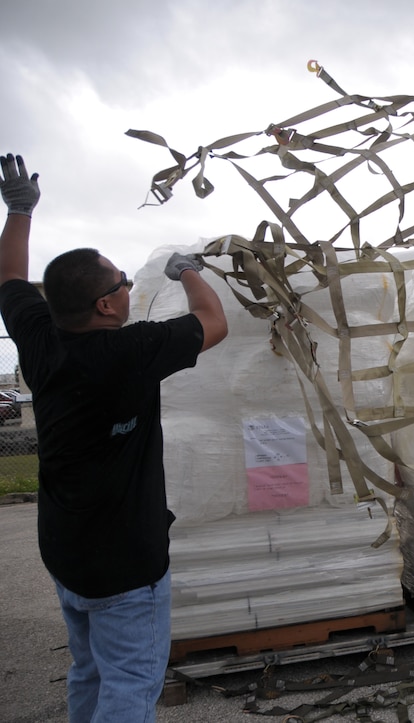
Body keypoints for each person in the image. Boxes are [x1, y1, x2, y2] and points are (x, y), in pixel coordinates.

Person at [0, 153, 228, 721]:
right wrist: (187, 271)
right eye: (123, 283)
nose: (129, 288)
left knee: (90, 670)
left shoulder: (40, 337)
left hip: (67, 551)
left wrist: (19, 212)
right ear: (105, 304)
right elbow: (214, 322)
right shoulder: (128, 351)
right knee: (130, 682)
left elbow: (7, 277)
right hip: (126, 565)